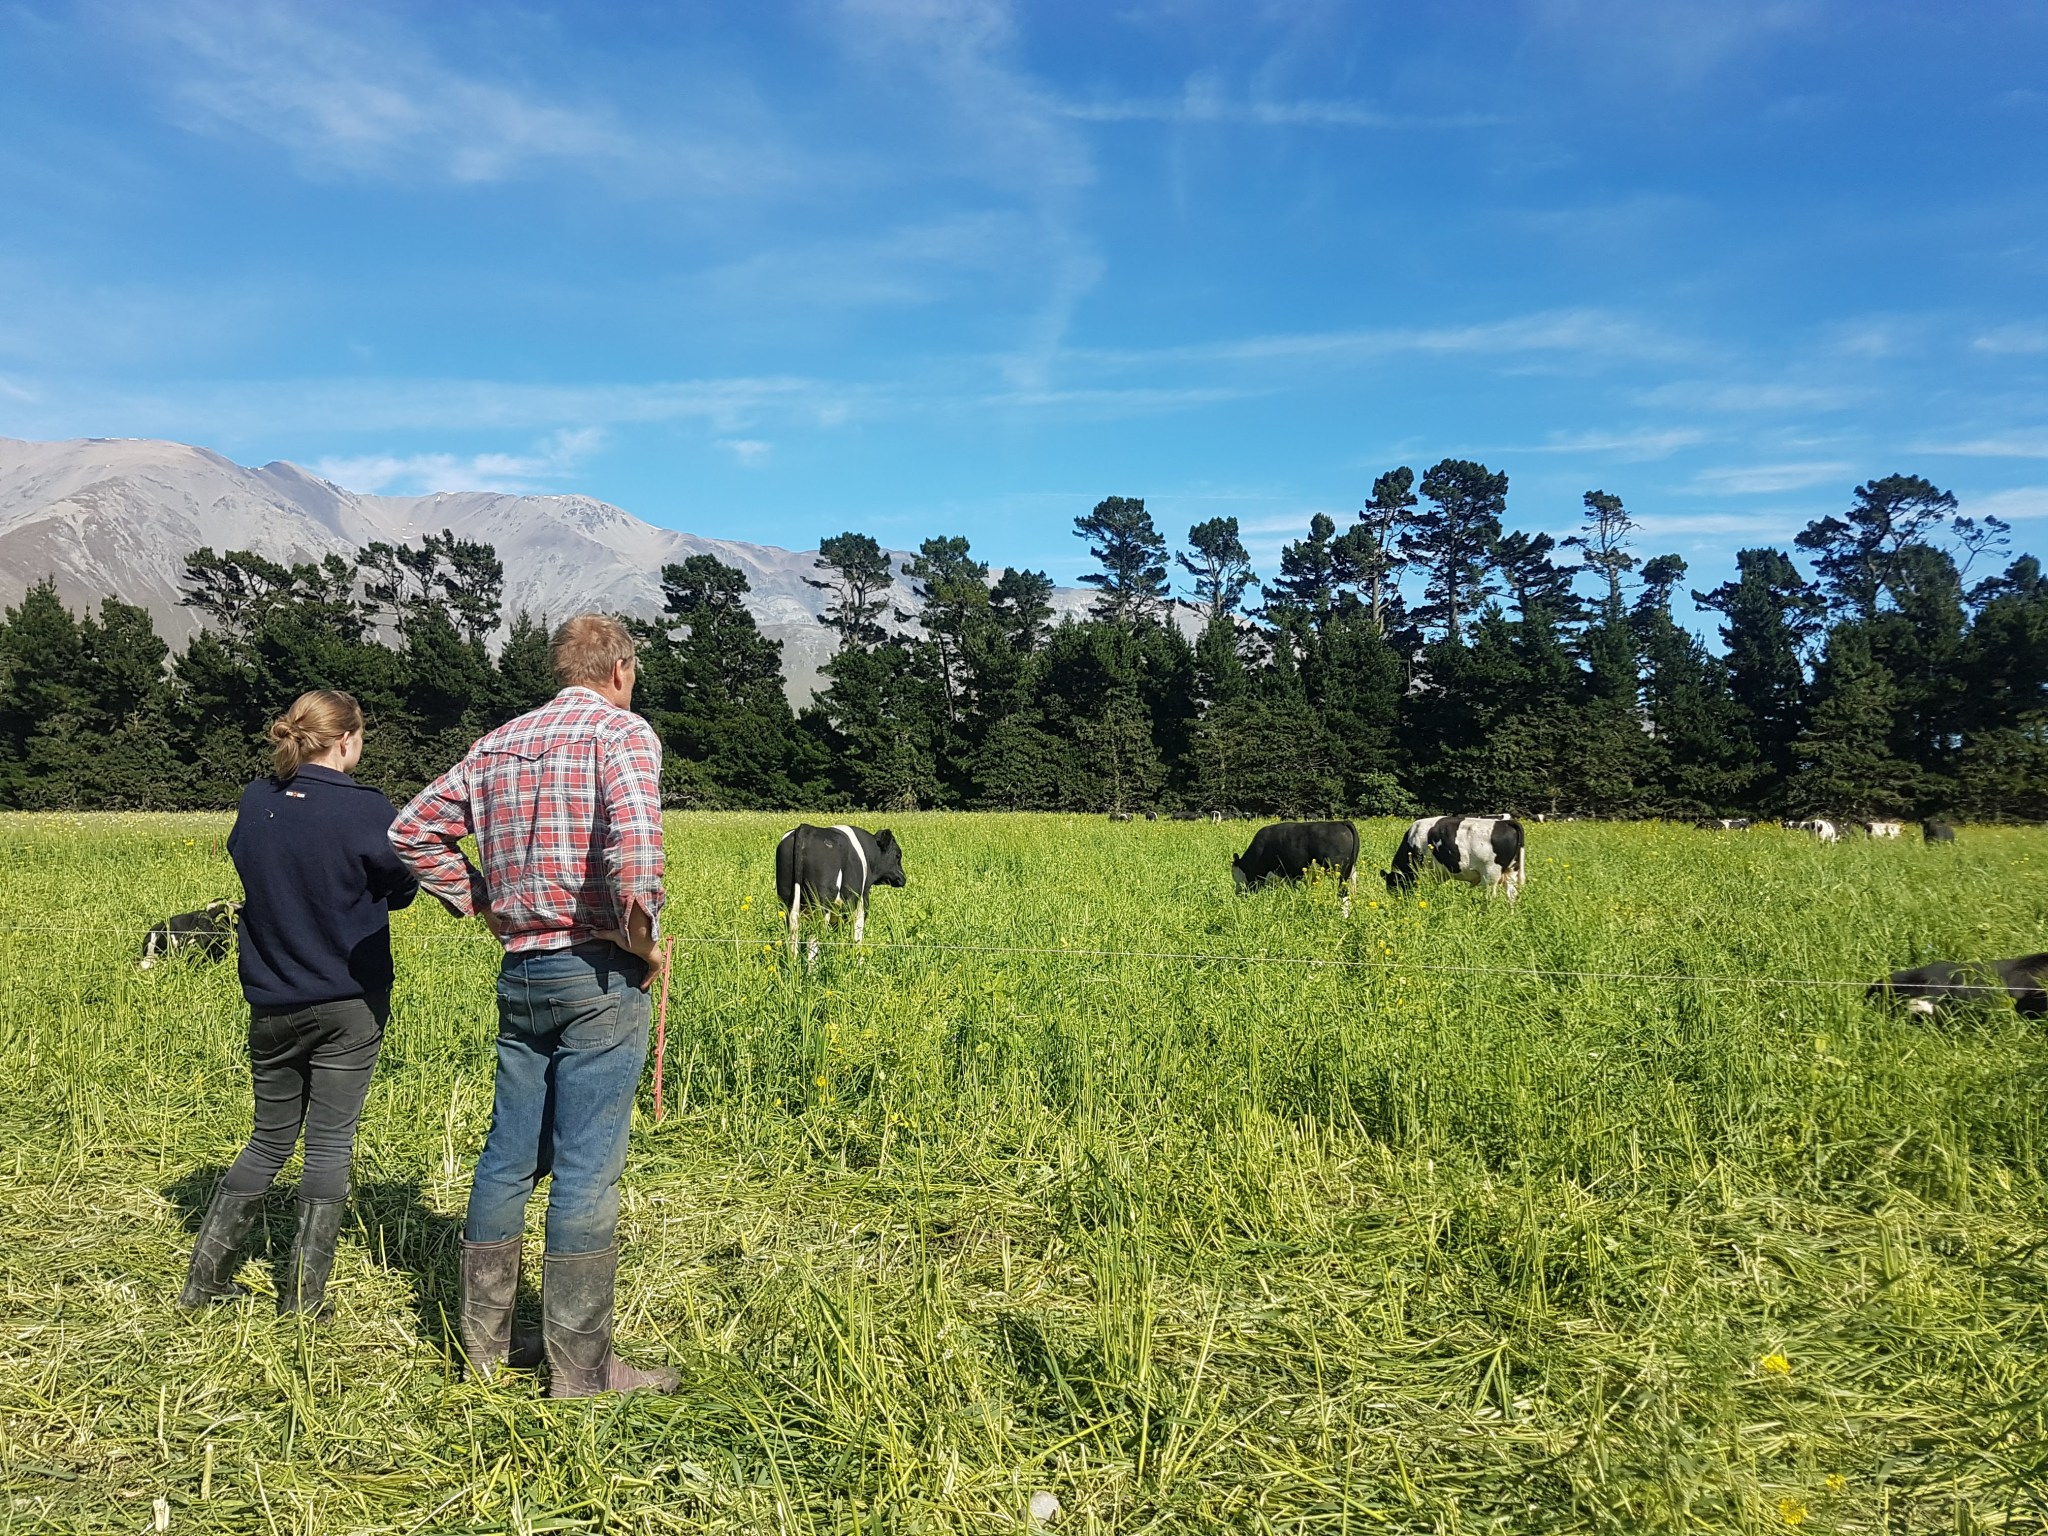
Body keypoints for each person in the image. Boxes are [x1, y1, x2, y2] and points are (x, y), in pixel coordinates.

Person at [388, 614, 675, 1397]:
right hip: (596, 972)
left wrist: (479, 901)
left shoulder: (497, 744)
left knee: (507, 1158)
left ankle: (484, 1352)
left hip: (521, 971)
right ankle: (579, 1371)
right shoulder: (622, 735)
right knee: (587, 1168)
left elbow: (410, 831)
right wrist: (644, 941)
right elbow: (638, 854)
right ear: (618, 670)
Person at [180, 690, 419, 1316]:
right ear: (347, 740)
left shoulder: (257, 798)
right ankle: (303, 1301)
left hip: (271, 997)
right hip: (348, 1001)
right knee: (330, 1146)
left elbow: (244, 859)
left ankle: (202, 1284)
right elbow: (400, 883)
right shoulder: (364, 808)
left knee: (268, 1139)